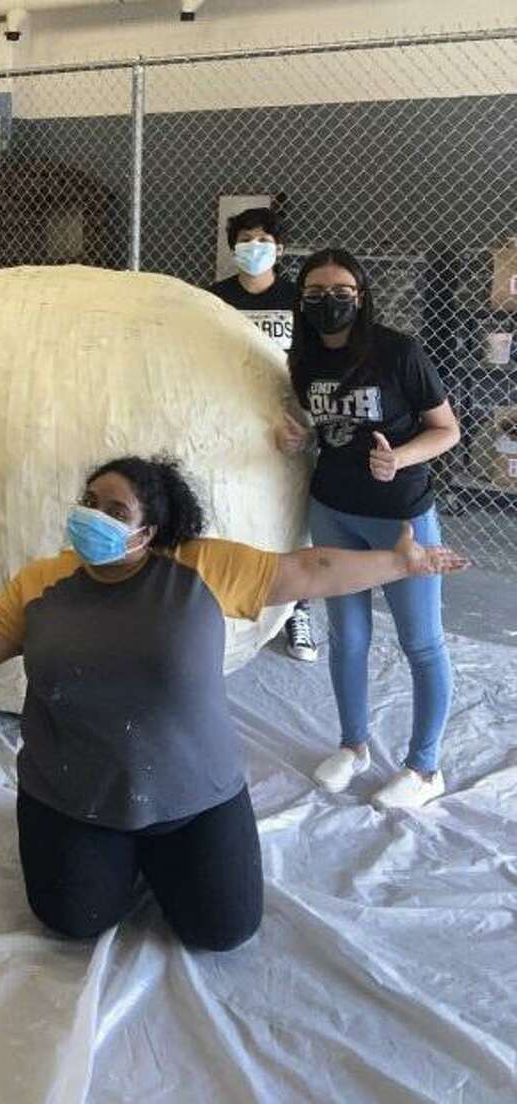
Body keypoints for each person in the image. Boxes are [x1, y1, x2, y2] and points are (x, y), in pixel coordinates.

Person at [0, 456, 467, 946]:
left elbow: (310, 569)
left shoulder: (201, 568)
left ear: (146, 531)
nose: (93, 516)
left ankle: (157, 856)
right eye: (88, 503)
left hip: (195, 797)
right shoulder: (42, 582)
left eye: (113, 509)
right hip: (72, 797)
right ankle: (118, 858)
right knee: (74, 921)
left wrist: (395, 563)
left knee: (223, 931)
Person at [278, 248, 463, 810]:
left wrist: (400, 459)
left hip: (399, 519)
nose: (328, 304)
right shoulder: (302, 357)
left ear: (361, 296)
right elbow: (327, 427)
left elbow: (448, 429)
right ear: (301, 300)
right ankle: (353, 744)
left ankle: (425, 767)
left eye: (341, 293)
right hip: (332, 510)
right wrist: (298, 439)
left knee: (421, 642)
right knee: (348, 638)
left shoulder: (397, 352)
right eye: (315, 295)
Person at [208, 207, 316, 664]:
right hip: (233, 416)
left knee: (293, 507)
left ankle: (298, 607)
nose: (254, 247)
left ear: (280, 248)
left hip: (291, 416)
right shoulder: (214, 299)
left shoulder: (299, 298)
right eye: (245, 239)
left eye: (263, 240)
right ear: (233, 247)